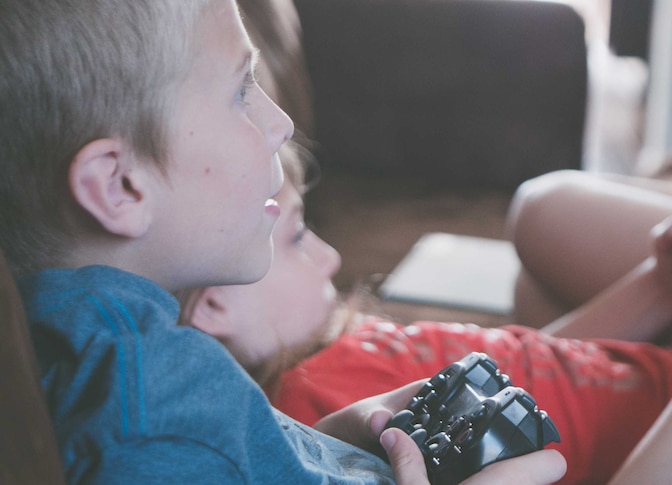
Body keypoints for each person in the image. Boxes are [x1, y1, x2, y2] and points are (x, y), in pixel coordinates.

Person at [0, 1, 565, 483]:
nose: (281, 124)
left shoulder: (129, 368)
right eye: (241, 91)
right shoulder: (153, 415)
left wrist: (327, 444)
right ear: (120, 186)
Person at [181, 147, 672, 484]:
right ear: (215, 302)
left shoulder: (341, 359)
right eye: (297, 237)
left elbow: (535, 369)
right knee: (547, 212)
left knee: (540, 239)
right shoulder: (310, 407)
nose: (330, 258)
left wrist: (659, 291)